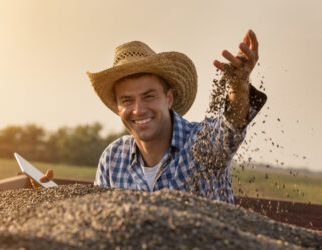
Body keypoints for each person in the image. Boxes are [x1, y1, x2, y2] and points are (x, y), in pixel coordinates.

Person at [38, 29, 266, 204]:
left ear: (169, 98)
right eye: (127, 100)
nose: (138, 110)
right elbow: (98, 219)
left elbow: (230, 129)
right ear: (118, 107)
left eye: (149, 96)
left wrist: (238, 87)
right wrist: (49, 196)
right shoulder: (112, 159)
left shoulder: (202, 143)